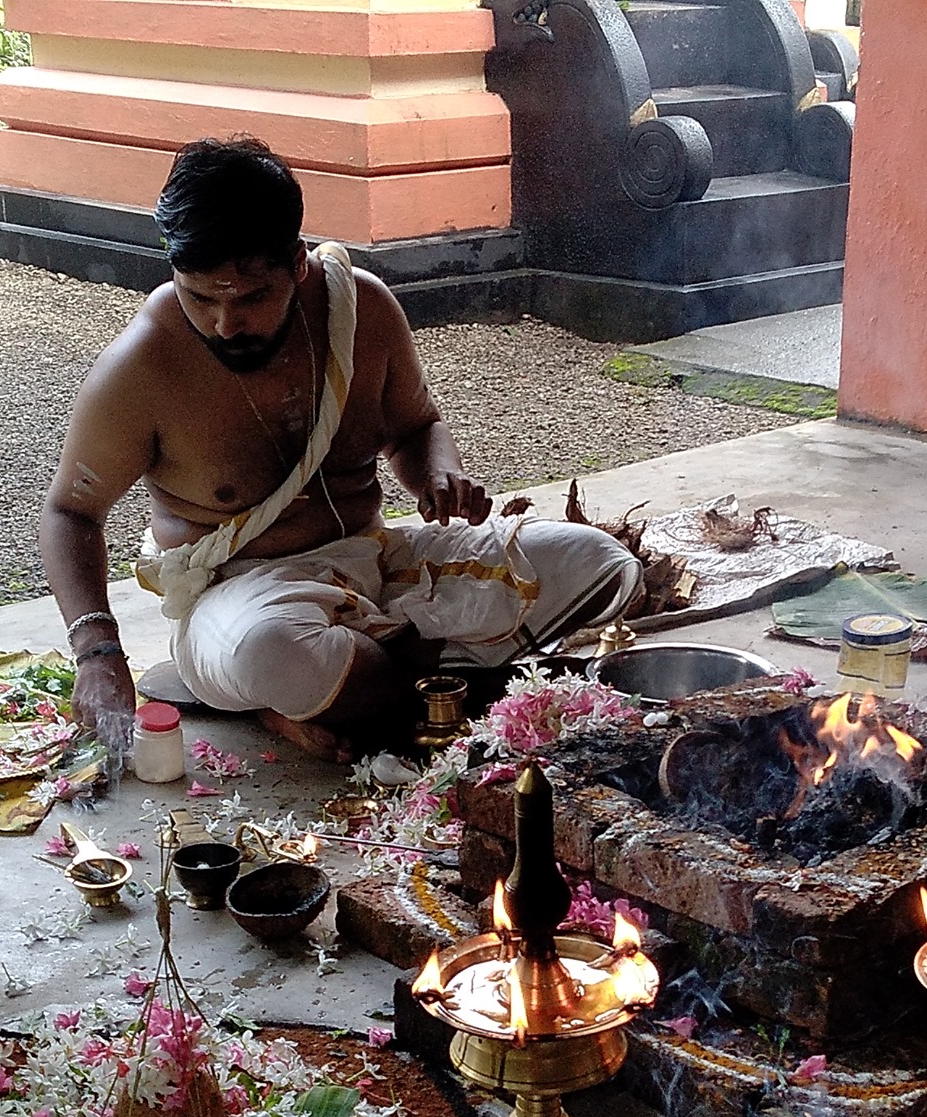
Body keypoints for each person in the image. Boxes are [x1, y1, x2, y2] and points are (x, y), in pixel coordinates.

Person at [41, 138, 639, 761]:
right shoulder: (143, 366)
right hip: (243, 598)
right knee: (272, 652)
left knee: (598, 563)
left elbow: (417, 427)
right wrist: (98, 652)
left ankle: (370, 692)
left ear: (296, 264)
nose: (224, 324)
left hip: (378, 565)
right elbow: (69, 514)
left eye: (250, 298)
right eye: (201, 297)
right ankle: (438, 688)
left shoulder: (361, 309)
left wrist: (439, 475)